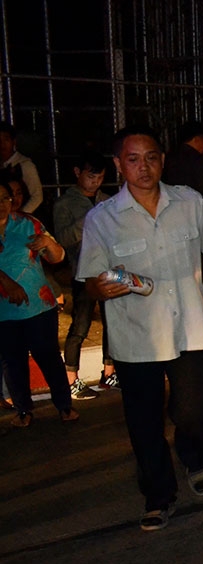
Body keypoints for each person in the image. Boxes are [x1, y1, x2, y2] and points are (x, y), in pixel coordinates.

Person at [79, 126, 203, 532]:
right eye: (133, 159)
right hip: (136, 337)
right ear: (118, 165)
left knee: (195, 411)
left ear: (162, 160)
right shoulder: (102, 219)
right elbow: (90, 280)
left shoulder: (189, 202)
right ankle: (158, 496)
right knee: (144, 423)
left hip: (188, 329)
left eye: (151, 157)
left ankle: (194, 456)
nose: (143, 167)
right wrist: (100, 288)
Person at [0, 171, 77, 427]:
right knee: (13, 361)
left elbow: (56, 258)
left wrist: (49, 244)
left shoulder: (27, 224)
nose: (2, 204)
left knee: (48, 356)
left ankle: (64, 405)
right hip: (4, 311)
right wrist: (6, 281)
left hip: (38, 306)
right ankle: (23, 409)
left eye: (5, 198)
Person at [53, 151, 119, 400]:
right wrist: (90, 219)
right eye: (91, 177)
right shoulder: (65, 203)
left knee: (113, 324)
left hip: (108, 271)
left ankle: (109, 373)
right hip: (83, 273)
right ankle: (71, 379)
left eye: (100, 177)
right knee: (80, 326)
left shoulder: (106, 200)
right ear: (78, 173)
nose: (96, 182)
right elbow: (63, 239)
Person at [162, 120, 203, 320]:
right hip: (195, 225)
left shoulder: (169, 159)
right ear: (198, 139)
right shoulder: (196, 161)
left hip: (170, 225)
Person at [0, 121, 44, 215]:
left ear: (14, 142)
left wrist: (22, 215)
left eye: (6, 139)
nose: (2, 144)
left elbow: (37, 196)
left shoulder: (25, 164)